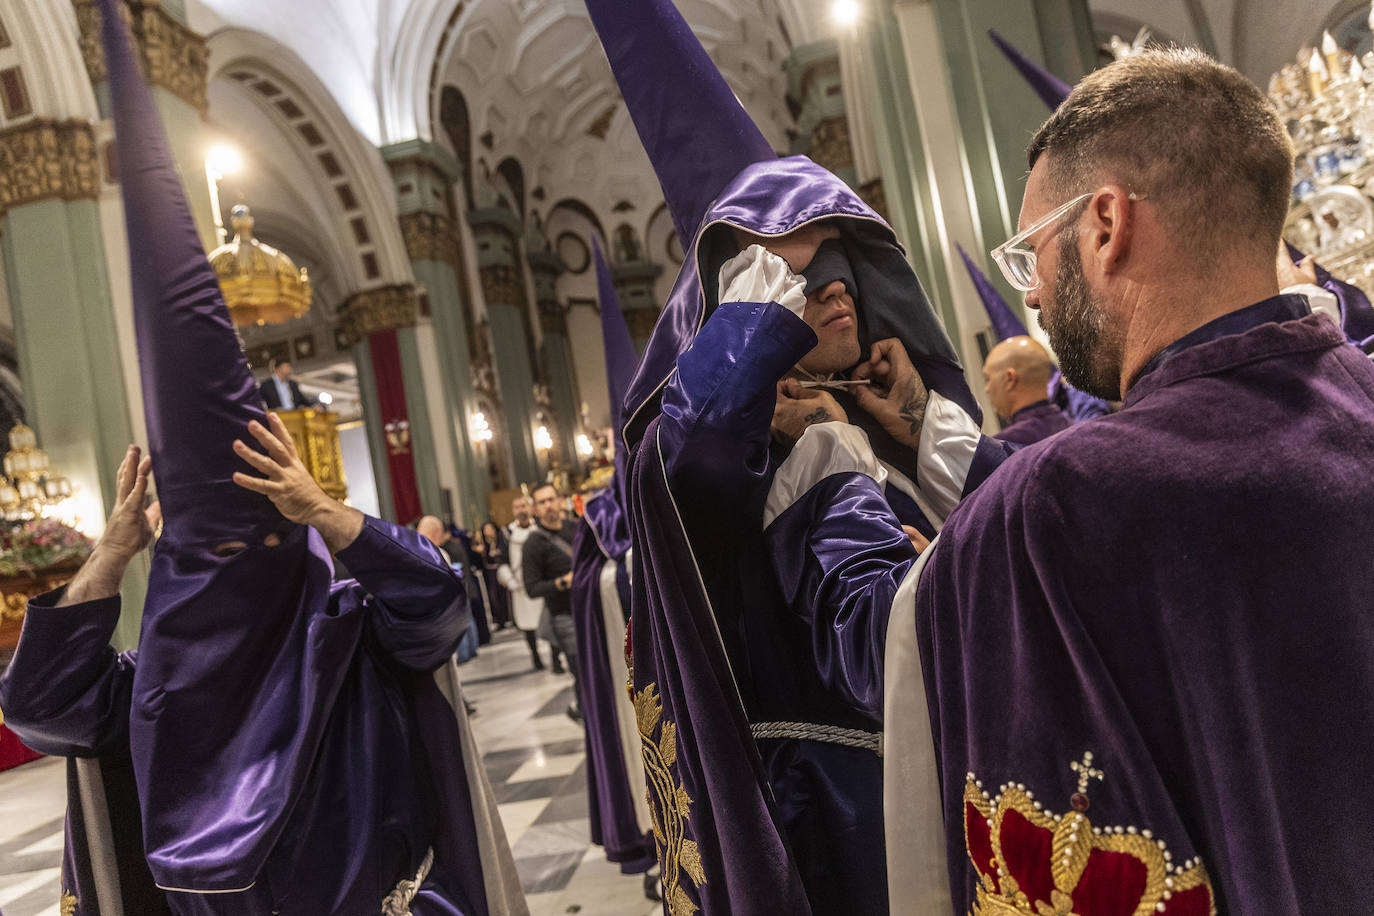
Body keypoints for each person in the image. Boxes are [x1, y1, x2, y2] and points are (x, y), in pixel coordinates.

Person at [822, 48, 1374, 913]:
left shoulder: (1048, 514)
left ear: (1106, 225)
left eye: (1031, 252)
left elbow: (888, 656)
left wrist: (827, 481)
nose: (1033, 295)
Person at [39, 7, 530, 911]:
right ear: (174, 562)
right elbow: (37, 704)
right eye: (206, 556)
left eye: (253, 547)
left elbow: (437, 609)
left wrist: (331, 517)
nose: (230, 577)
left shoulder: (344, 638)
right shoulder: (148, 685)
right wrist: (107, 557)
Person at [582, 0, 980, 910]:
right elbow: (877, 647)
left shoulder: (882, 429)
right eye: (794, 273)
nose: (834, 288)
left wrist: (924, 438)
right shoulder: (779, 458)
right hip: (843, 820)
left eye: (842, 264)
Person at [521, 483, 581, 720]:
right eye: (542, 502)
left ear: (560, 501)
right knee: (581, 670)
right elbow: (532, 588)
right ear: (535, 509)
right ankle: (587, 716)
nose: (548, 506)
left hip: (589, 610)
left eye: (551, 499)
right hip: (564, 616)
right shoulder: (533, 544)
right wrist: (563, 583)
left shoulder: (575, 528)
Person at [981, 335, 1071, 445]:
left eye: (988, 379)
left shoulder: (1003, 448)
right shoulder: (1078, 431)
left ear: (1010, 379)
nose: (987, 389)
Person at [499, 494, 553, 670]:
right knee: (527, 625)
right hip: (520, 586)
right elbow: (503, 561)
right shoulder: (507, 533)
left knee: (549, 620)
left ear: (530, 508)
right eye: (517, 507)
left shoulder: (539, 529)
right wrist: (510, 580)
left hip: (540, 583)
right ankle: (535, 656)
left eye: (523, 506)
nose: (521, 510)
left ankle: (556, 658)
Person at [473, 521, 512, 629]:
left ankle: (507, 618)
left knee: (504, 595)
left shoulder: (501, 540)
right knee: (493, 596)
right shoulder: (483, 543)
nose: (488, 532)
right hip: (489, 572)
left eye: (489, 529)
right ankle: (498, 620)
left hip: (501, 569)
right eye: (486, 529)